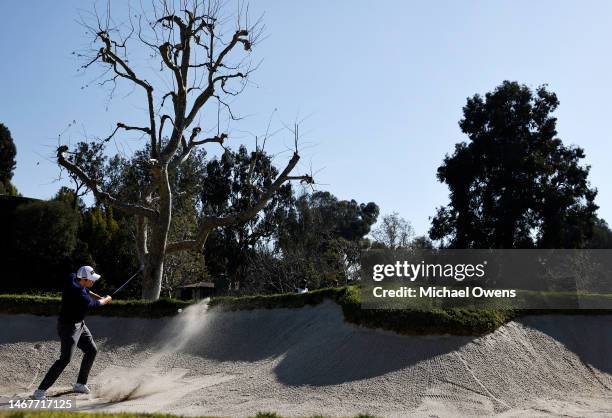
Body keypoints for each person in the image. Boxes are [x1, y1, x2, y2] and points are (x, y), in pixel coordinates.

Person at [33, 266, 112, 400]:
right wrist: (106, 299)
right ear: (84, 279)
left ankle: (80, 384)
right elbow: (97, 304)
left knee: (91, 350)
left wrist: (97, 295)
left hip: (79, 324)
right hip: (68, 328)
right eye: (91, 280)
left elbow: (86, 289)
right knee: (65, 359)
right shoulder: (81, 297)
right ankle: (40, 391)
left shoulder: (72, 278)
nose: (93, 281)